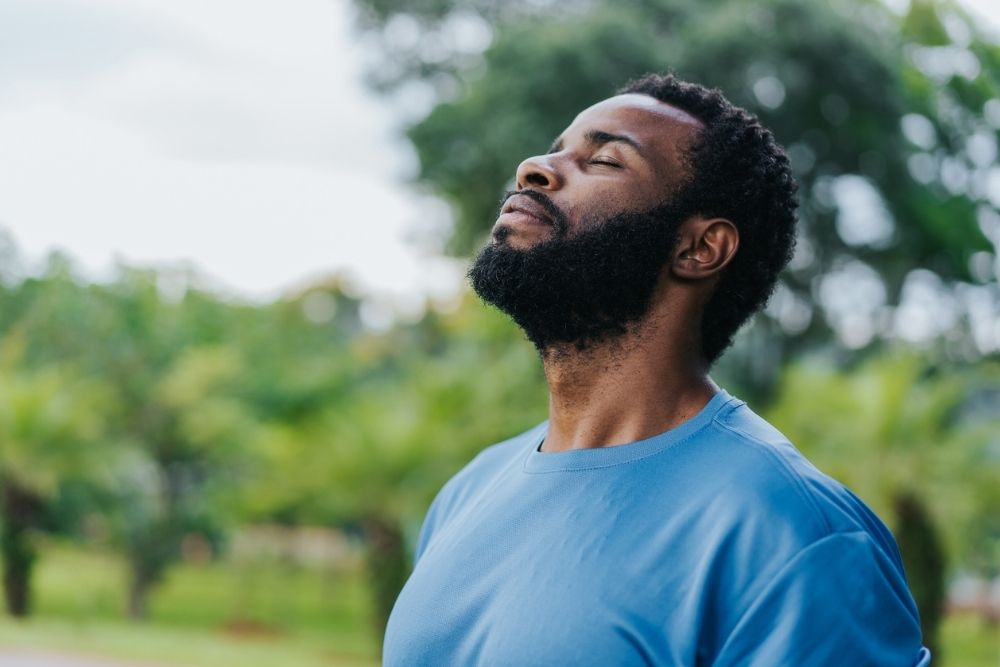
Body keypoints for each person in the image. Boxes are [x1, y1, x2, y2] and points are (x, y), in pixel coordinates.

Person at [382, 73, 931, 666]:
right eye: (557, 146)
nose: (535, 168)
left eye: (605, 160)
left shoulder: (795, 535)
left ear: (700, 249)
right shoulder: (468, 493)